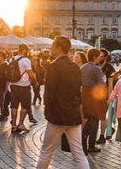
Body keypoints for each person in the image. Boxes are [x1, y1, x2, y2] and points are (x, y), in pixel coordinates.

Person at [36, 36, 89, 169]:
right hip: (73, 114)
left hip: (57, 115)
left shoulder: (53, 66)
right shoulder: (75, 67)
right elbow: (78, 92)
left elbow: (49, 93)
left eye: (53, 45)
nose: (51, 48)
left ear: (59, 48)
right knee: (78, 153)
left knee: (46, 151)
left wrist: (48, 111)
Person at [81, 48, 107, 154]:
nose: (100, 59)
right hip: (94, 95)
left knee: (91, 118)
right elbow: (101, 84)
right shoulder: (96, 69)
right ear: (94, 57)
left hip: (85, 94)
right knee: (95, 118)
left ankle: (84, 139)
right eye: (99, 56)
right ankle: (90, 144)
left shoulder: (82, 68)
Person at [10, 44, 38, 133]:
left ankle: (13, 126)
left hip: (13, 85)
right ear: (25, 50)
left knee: (14, 105)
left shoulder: (13, 58)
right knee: (25, 105)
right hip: (24, 86)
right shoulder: (26, 60)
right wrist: (35, 82)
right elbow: (30, 74)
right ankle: (21, 124)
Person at [96, 49, 115, 145]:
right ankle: (109, 128)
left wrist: (109, 97)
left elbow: (111, 83)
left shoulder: (109, 68)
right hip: (96, 95)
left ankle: (102, 136)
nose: (100, 57)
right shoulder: (95, 65)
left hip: (105, 95)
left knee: (102, 115)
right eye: (99, 56)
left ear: (106, 57)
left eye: (102, 56)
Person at [0, 51, 9, 121]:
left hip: (3, 85)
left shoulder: (6, 65)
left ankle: (4, 114)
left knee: (3, 100)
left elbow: (7, 78)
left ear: (3, 57)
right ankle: (3, 113)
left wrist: (6, 87)